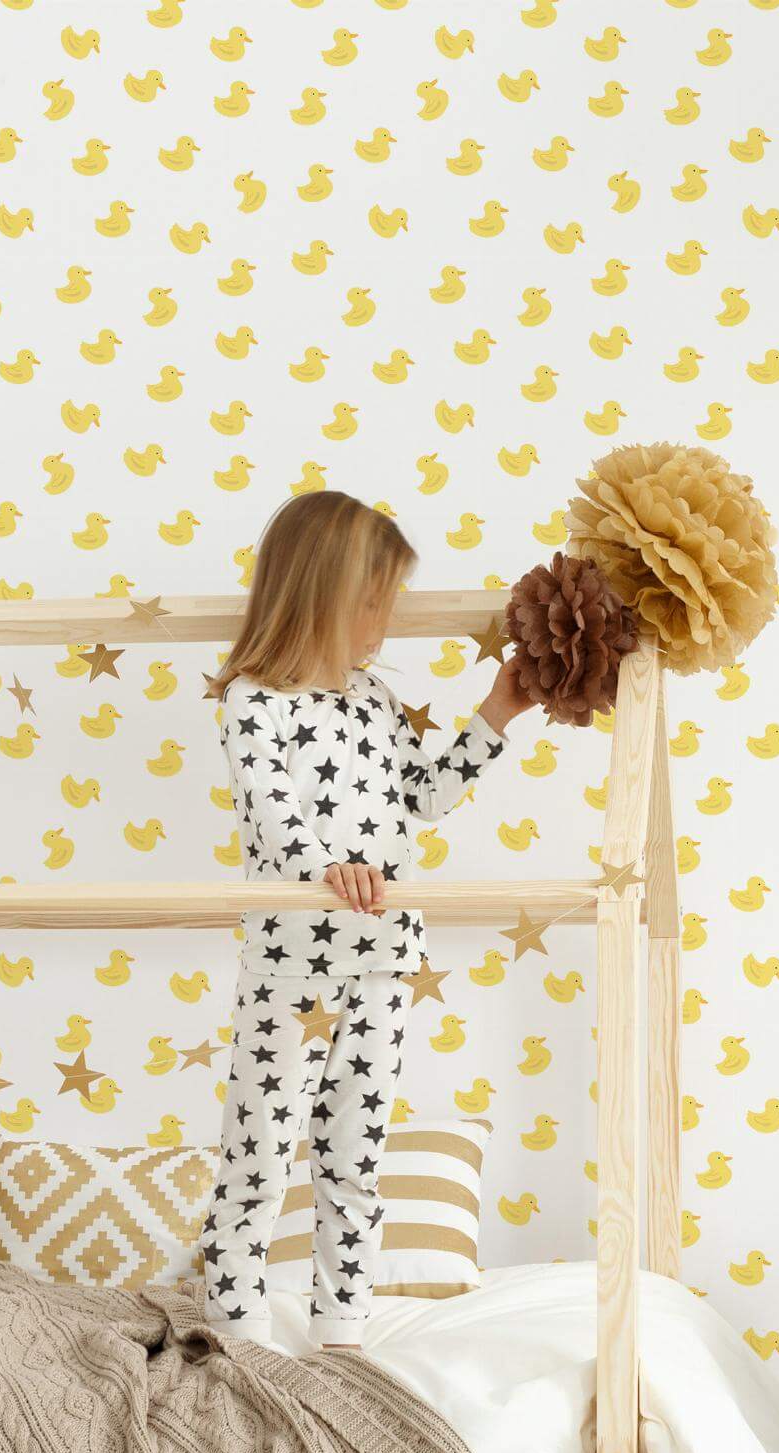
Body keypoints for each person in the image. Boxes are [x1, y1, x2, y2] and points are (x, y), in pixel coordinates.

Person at [198, 489, 535, 1352]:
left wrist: (496, 711)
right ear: (321, 597)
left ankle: (343, 1330)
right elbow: (273, 818)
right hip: (291, 966)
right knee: (260, 1153)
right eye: (373, 604)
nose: (384, 624)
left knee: (354, 1155)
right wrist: (326, 869)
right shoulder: (253, 702)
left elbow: (424, 797)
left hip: (383, 959)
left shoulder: (376, 701)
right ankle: (234, 1331)